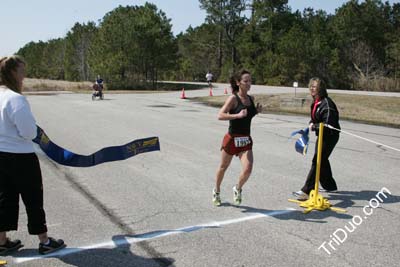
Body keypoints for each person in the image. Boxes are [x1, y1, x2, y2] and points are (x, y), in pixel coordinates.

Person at [0, 56, 66, 255]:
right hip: (21, 157)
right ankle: (44, 241)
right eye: (22, 71)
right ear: (12, 72)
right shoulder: (15, 99)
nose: (24, 75)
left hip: (1, 156)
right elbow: (28, 132)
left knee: (4, 198)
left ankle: (1, 242)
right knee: (33, 198)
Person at [213, 70, 262, 206]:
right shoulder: (233, 99)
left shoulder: (251, 99)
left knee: (248, 169)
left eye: (250, 81)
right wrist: (236, 116)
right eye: (245, 81)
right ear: (238, 83)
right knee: (223, 167)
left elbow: (247, 116)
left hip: (245, 139)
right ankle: (216, 191)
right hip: (232, 139)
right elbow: (220, 115)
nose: (248, 84)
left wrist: (256, 112)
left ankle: (238, 188)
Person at [293, 77, 340, 201]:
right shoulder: (316, 102)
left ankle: (306, 191)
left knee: (317, 160)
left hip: (330, 136)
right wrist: (311, 124)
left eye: (315, 86)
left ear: (321, 89)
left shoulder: (327, 104)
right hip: (322, 135)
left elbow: (329, 124)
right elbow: (315, 119)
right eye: (311, 86)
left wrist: (314, 126)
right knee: (322, 159)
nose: (312, 89)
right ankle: (330, 186)